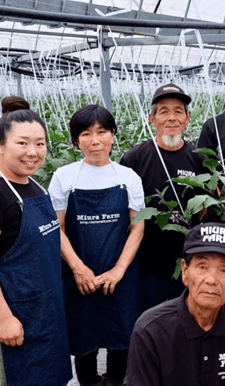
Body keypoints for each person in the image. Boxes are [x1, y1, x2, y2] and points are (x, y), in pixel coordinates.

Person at [48, 104, 145, 386]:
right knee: (84, 337)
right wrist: (78, 268)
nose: (95, 141)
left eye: (102, 132)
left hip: (121, 274)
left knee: (121, 336)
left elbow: (138, 228)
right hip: (80, 274)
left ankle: (115, 380)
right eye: (86, 134)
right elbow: (58, 228)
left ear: (113, 134)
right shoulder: (64, 177)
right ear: (76, 139)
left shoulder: (128, 177)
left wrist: (119, 270)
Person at [126, 222, 225, 386]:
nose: (211, 280)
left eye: (224, 269)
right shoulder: (151, 330)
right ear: (185, 271)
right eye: (202, 266)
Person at [0, 96, 72, 386]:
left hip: (45, 314)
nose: (33, 152)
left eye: (40, 143)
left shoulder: (35, 186)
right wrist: (4, 318)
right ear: (1, 146)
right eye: (22, 143)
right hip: (16, 318)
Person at [120, 84, 210, 311]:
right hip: (147, 263)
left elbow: (207, 209)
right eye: (164, 111)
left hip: (187, 262)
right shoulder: (134, 158)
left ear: (188, 118)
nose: (172, 118)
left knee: (185, 318)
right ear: (152, 119)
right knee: (150, 319)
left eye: (178, 111)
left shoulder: (199, 159)